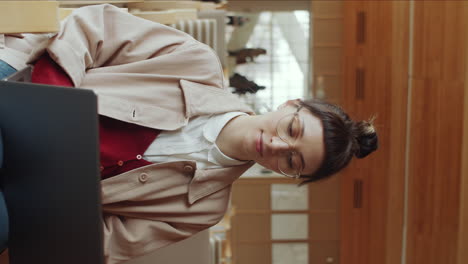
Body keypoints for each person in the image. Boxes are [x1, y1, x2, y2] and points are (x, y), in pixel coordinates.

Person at [0, 4, 378, 264]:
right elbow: (92, 27)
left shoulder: (206, 208)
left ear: (288, 174)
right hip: (23, 103)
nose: (277, 146)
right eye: (292, 129)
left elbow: (104, 244)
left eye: (292, 161)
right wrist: (54, 104)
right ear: (290, 104)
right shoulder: (195, 61)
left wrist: (50, 209)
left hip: (27, 194)